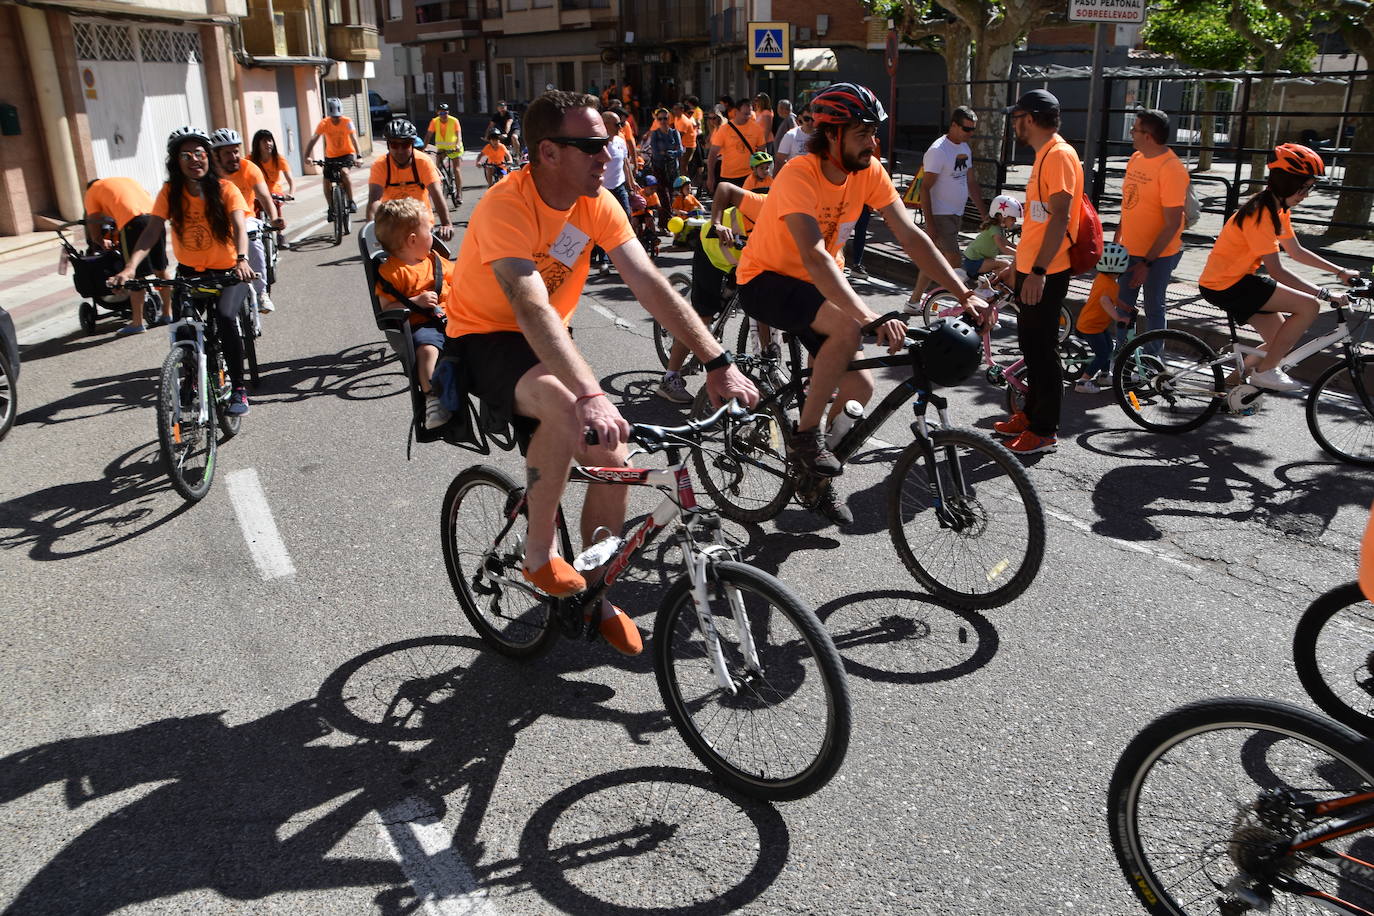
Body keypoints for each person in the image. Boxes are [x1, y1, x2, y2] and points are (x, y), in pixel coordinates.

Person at [441, 89, 758, 655]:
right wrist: (590, 393)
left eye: (608, 143)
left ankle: (592, 589)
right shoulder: (504, 205)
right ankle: (539, 554)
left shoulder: (597, 203)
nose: (607, 155)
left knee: (614, 459)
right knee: (570, 409)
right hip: (488, 335)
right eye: (591, 145)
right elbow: (530, 306)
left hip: (548, 337)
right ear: (548, 152)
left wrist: (718, 362)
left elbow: (650, 284)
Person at [732, 82, 975, 525]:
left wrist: (964, 292)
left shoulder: (869, 172)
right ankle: (805, 438)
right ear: (831, 134)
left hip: (818, 286)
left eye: (874, 133)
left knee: (860, 388)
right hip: (766, 279)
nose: (872, 143)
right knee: (847, 328)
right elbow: (814, 255)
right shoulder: (799, 174)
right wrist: (867, 315)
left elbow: (911, 236)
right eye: (863, 134)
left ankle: (813, 479)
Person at [111, 126, 256, 415]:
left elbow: (239, 226)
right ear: (176, 162)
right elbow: (152, 231)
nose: (194, 160)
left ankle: (239, 389)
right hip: (190, 274)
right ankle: (191, 374)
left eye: (199, 154)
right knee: (184, 328)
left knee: (226, 318)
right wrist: (129, 267)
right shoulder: (170, 193)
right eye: (186, 155)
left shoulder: (226, 189)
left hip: (229, 272)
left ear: (209, 157)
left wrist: (242, 259)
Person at [1197, 144, 1358, 390]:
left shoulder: (1277, 209)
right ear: (1286, 183)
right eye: (1304, 187)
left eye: (1310, 188)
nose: (1306, 194)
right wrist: (1325, 294)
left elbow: (1296, 251)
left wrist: (1340, 272)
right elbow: (1277, 271)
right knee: (1309, 306)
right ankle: (1266, 371)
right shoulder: (1261, 215)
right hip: (1228, 285)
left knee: (1279, 340)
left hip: (1234, 281)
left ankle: (1228, 388)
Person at [993, 89, 1082, 456]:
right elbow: (1038, 221)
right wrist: (1019, 266)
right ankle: (1030, 416)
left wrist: (1039, 271)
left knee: (1043, 351)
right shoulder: (1045, 154)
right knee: (1031, 347)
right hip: (1032, 269)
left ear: (1029, 119)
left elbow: (1060, 218)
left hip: (1047, 271)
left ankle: (1044, 431)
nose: (1014, 125)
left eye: (1017, 118)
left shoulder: (1058, 155)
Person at [373, 198, 455, 429]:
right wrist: (414, 302)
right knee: (427, 350)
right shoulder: (393, 272)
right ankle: (432, 398)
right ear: (412, 240)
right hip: (422, 325)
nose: (433, 235)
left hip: (454, 317)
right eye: (429, 231)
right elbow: (387, 308)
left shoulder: (434, 260)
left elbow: (460, 280)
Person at [1114, 108, 1188, 344]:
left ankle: (1153, 359)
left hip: (1158, 256)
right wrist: (1116, 242)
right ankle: (1122, 355)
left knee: (1154, 307)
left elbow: (1172, 223)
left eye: (1134, 129)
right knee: (1122, 305)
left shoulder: (1171, 169)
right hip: (1129, 250)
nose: (1131, 132)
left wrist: (1146, 263)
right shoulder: (1136, 158)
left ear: (1147, 136)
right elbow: (1129, 203)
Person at [911, 106, 986, 303]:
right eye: (966, 129)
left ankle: (914, 301)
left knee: (935, 260)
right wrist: (930, 224)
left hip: (956, 213)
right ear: (953, 125)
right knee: (954, 258)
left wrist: (984, 214)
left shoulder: (964, 148)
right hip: (940, 214)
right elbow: (925, 188)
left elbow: (971, 182)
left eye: (973, 129)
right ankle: (967, 302)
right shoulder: (938, 151)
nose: (970, 133)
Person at [83, 176, 172, 333]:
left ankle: (137, 323)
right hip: (155, 218)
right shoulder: (123, 181)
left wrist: (98, 241)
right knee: (160, 269)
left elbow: (93, 221)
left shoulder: (91, 192)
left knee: (135, 275)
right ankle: (167, 313)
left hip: (133, 222)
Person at [211, 128, 284, 314]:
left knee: (252, 240)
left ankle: (261, 293)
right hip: (220, 223)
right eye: (227, 153)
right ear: (216, 156)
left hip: (246, 218)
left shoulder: (249, 168)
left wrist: (275, 218)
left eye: (236, 151)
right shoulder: (210, 175)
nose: (233, 156)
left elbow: (264, 196)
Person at [365, 119, 454, 241]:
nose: (400, 150)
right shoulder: (380, 165)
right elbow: (374, 200)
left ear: (412, 144)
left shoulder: (423, 162)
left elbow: (436, 194)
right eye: (394, 145)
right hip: (392, 226)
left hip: (421, 224)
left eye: (405, 144)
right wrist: (371, 232)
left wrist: (446, 224)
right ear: (388, 145)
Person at [1073, 242, 1136, 394]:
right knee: (1102, 354)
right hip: (1091, 326)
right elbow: (1105, 301)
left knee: (1108, 350)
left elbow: (1112, 298)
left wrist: (1125, 307)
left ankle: (1104, 375)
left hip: (1097, 325)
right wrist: (1119, 318)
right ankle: (1082, 382)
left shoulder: (1104, 279)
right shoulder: (1108, 284)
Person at [303, 98, 362, 220]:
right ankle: (331, 208)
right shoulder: (324, 123)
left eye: (338, 117)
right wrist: (307, 155)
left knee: (344, 173)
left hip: (347, 154)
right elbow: (314, 139)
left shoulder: (347, 121)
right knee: (326, 180)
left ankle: (351, 201)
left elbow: (354, 139)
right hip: (330, 156)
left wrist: (359, 156)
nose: (336, 119)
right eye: (334, 117)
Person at [707, 98, 764, 193]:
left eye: (750, 114)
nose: (748, 117)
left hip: (749, 176)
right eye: (745, 114)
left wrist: (760, 173)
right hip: (728, 176)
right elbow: (712, 154)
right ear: (736, 112)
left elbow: (762, 152)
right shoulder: (724, 129)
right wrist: (710, 177)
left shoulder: (757, 129)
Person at [961, 194, 1021, 283]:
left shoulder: (999, 228)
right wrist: (1020, 255)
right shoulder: (994, 229)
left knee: (1005, 265)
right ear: (1002, 216)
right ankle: (988, 287)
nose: (1015, 220)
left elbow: (1007, 243)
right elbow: (1003, 247)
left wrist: (1021, 250)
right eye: (1012, 217)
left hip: (979, 261)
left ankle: (990, 285)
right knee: (1005, 264)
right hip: (974, 262)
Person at [646, 108, 682, 224]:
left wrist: (669, 153)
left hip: (672, 169)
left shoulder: (674, 132)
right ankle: (666, 222)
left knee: (671, 195)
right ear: (657, 120)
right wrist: (669, 153)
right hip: (659, 168)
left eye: (665, 118)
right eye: (660, 119)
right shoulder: (655, 134)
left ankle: (667, 223)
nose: (662, 121)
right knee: (663, 196)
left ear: (669, 119)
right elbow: (655, 152)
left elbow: (680, 150)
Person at [425, 103, 465, 206]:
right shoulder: (434, 121)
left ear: (448, 112)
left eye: (445, 113)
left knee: (456, 170)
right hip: (442, 148)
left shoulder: (454, 120)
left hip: (454, 148)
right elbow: (428, 135)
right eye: (441, 113)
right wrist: (423, 148)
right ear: (437, 113)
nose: (443, 115)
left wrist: (457, 145)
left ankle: (459, 194)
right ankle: (438, 191)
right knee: (436, 169)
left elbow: (458, 135)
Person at [250, 130, 294, 199]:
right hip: (257, 195)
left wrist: (291, 194)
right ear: (257, 144)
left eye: (270, 140)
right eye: (264, 141)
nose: (268, 143)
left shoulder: (279, 159)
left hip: (275, 195)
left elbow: (291, 180)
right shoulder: (250, 160)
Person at [774, 105, 812, 171]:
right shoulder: (791, 135)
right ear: (800, 118)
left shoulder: (821, 136)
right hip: (795, 174)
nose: (810, 122)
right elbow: (779, 161)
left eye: (813, 119)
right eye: (807, 119)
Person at [672, 102, 698, 180]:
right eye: (674, 109)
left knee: (683, 165)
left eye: (676, 109)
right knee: (681, 165)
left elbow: (679, 135)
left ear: (682, 110)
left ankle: (686, 183)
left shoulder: (684, 121)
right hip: (682, 145)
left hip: (688, 146)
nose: (674, 111)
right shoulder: (676, 118)